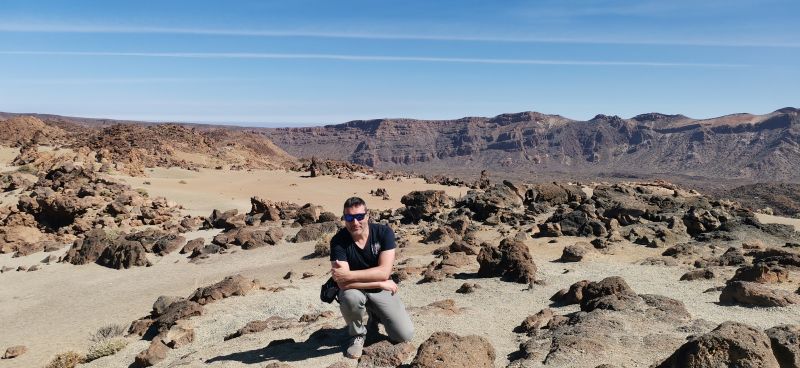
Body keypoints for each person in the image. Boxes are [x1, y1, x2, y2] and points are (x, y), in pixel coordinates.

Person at [330, 197, 414, 359]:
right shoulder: (338, 242)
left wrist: (350, 275)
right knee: (350, 297)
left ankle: (374, 317)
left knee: (404, 335)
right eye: (349, 218)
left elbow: (384, 271)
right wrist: (380, 281)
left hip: (380, 289)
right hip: (358, 289)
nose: (355, 222)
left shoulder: (384, 233)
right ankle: (357, 335)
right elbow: (342, 282)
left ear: (367, 216)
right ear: (344, 218)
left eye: (360, 217)